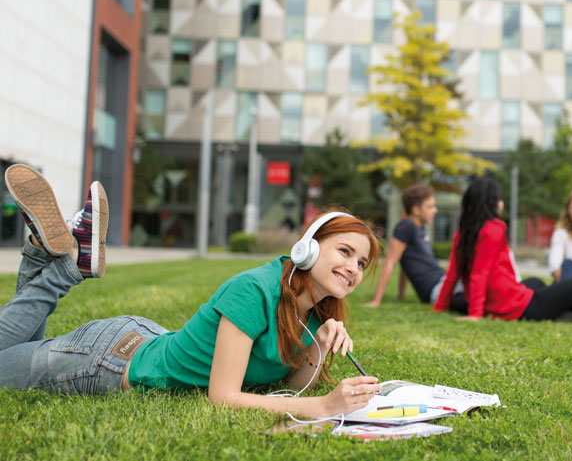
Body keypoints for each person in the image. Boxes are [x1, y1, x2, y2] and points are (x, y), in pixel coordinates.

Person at [0, 164, 382, 419]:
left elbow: (290, 387)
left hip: (139, 339)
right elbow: (224, 396)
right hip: (107, 362)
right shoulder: (254, 290)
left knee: (14, 354)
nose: (353, 268)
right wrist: (323, 407)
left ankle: (39, 253)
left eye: (362, 263)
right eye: (345, 252)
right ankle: (66, 267)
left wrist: (318, 345)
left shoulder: (315, 311)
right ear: (308, 247)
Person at [433, 176, 572, 322]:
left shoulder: (462, 234)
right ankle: (563, 313)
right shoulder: (493, 229)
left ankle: (559, 310)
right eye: (498, 199)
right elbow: (479, 273)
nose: (501, 202)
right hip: (515, 306)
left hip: (501, 299)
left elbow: (452, 275)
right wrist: (475, 314)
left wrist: (440, 306)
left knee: (536, 282)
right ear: (491, 203)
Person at [363, 184, 467, 313]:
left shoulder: (419, 227)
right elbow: (390, 263)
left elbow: (404, 260)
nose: (435, 210)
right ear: (416, 210)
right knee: (473, 299)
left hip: (443, 279)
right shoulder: (406, 227)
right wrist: (376, 301)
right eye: (430, 207)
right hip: (435, 288)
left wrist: (401, 294)